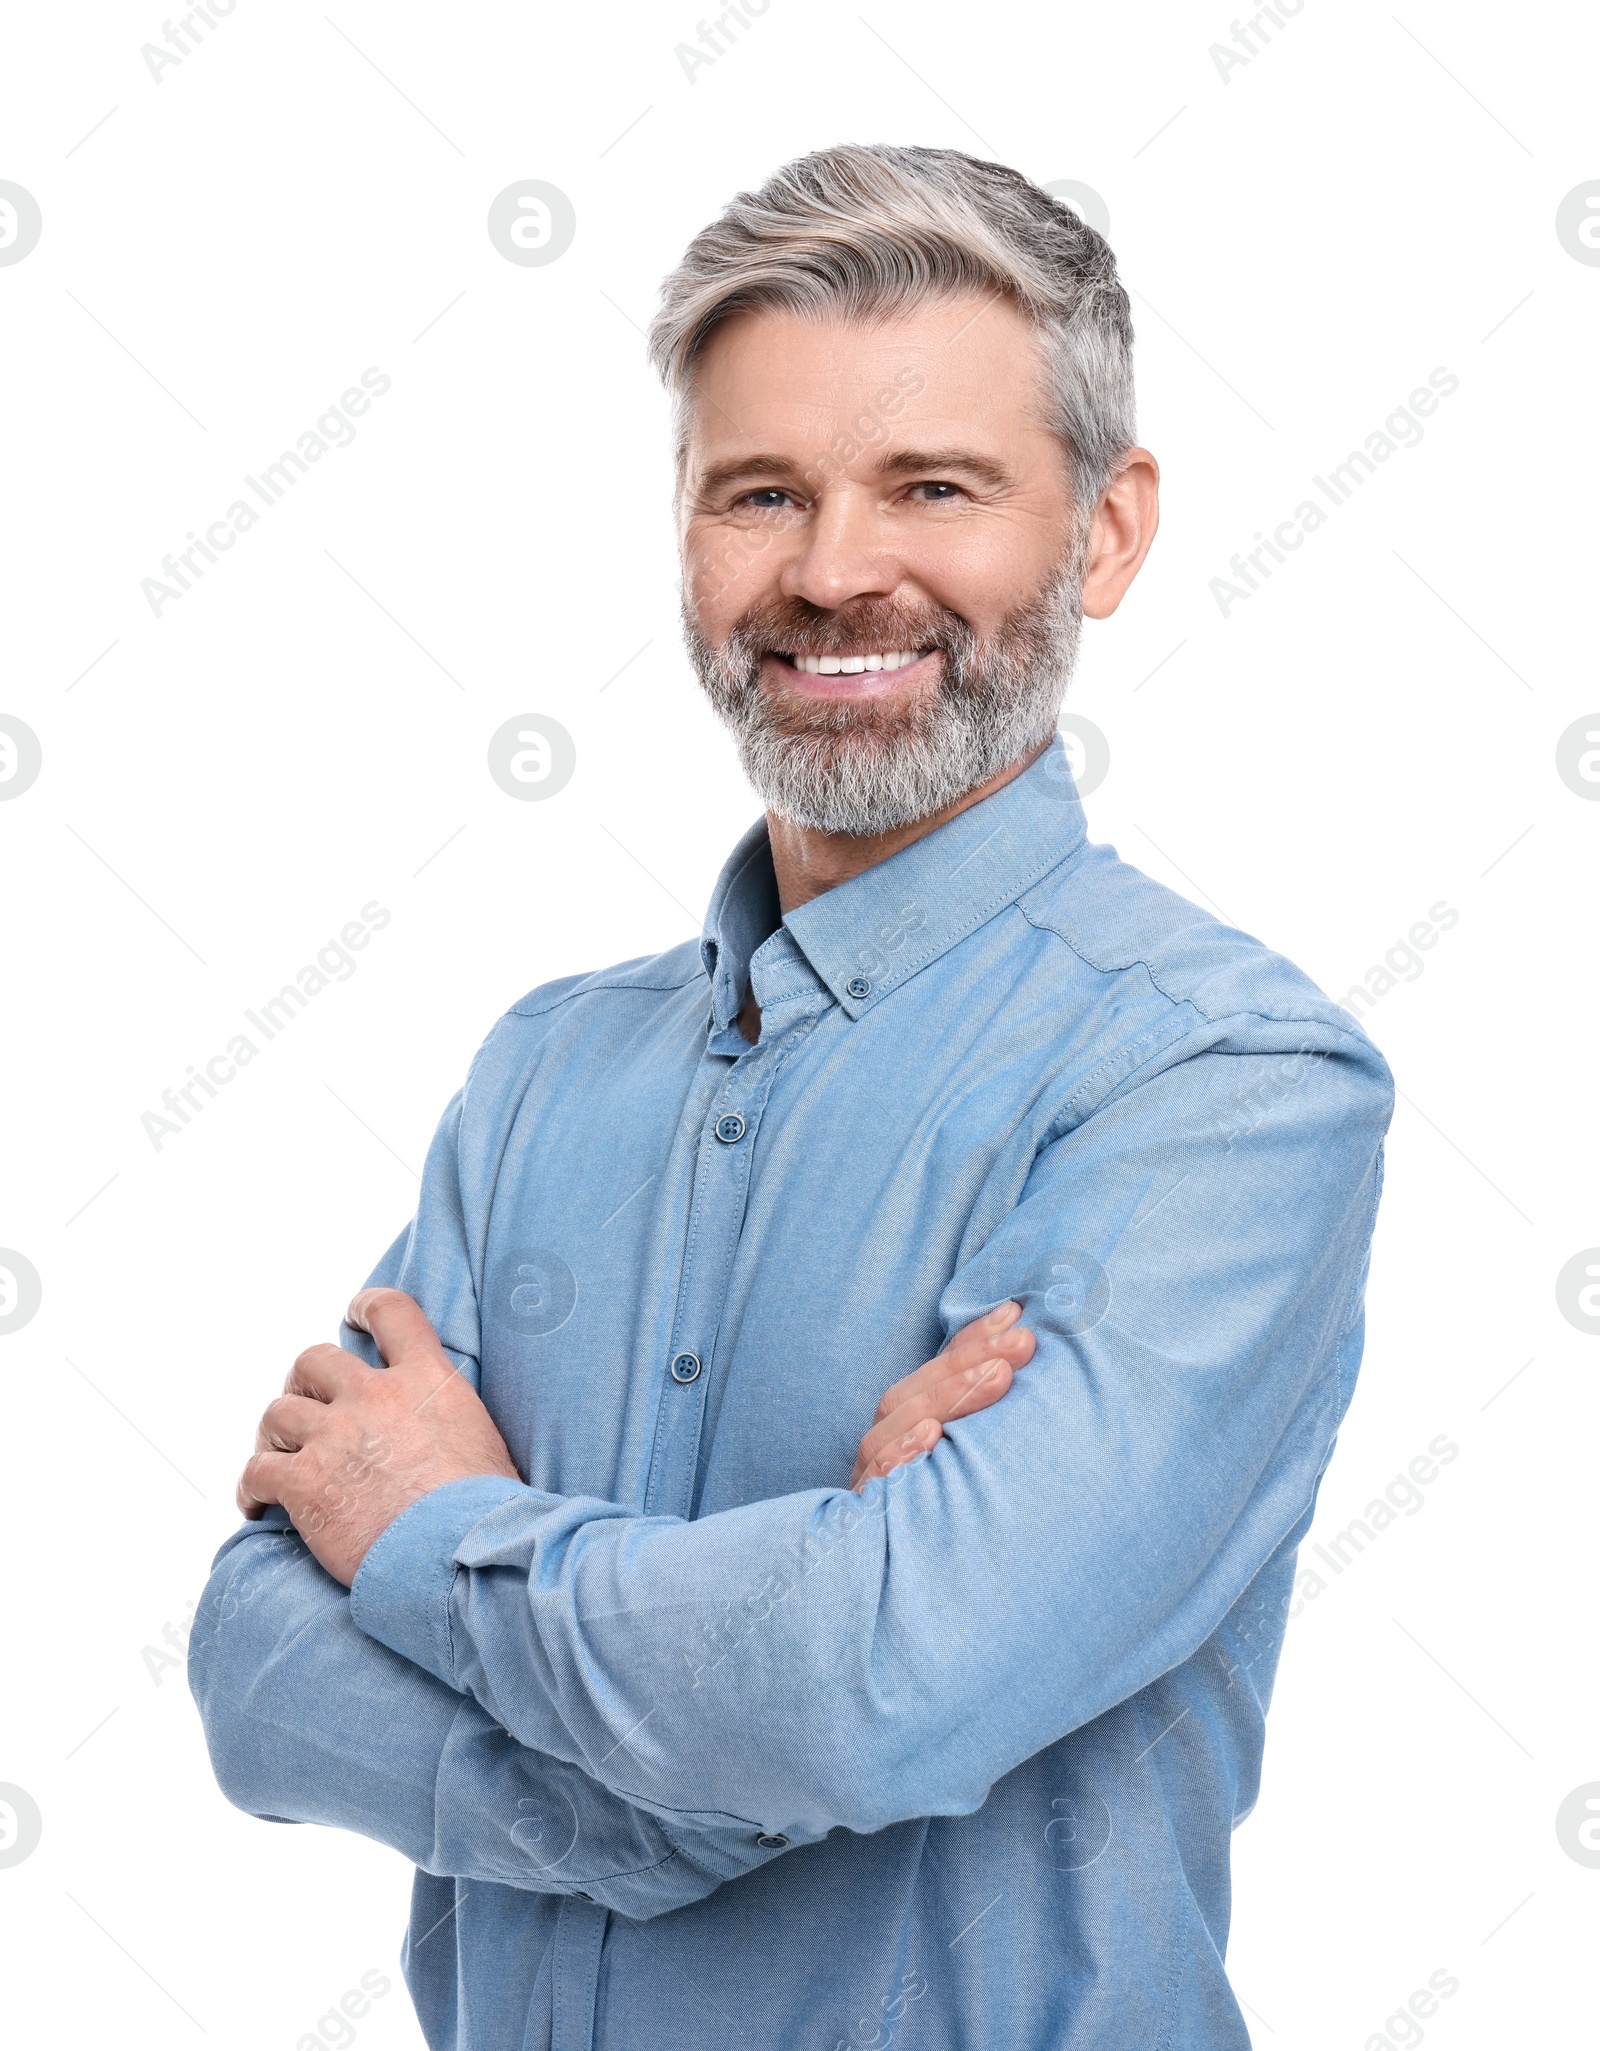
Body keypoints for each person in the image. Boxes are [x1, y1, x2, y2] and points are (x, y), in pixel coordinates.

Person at [191, 143, 1393, 2051]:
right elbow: (252, 1670)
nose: (834, 572)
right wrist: (698, 1759)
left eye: (935, 486)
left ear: (1104, 527)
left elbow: (868, 1685)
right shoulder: (542, 1074)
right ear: (685, 527)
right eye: (764, 492)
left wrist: (429, 1532)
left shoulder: (1224, 1088)